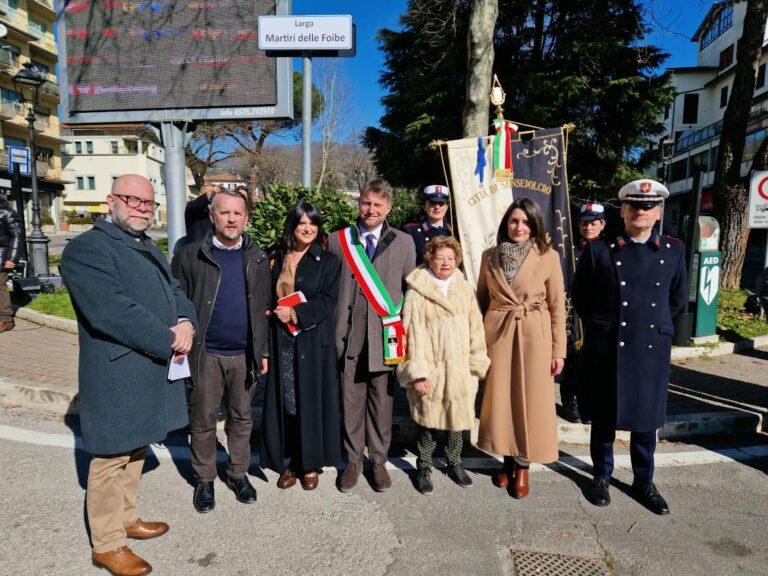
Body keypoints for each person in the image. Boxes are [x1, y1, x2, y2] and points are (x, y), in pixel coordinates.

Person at [60, 174, 197, 576]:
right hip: (118, 369)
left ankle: (126, 517)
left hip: (150, 366)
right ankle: (106, 543)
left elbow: (174, 290)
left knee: (137, 447)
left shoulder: (144, 244)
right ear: (111, 201)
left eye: (147, 202)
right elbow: (111, 310)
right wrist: (168, 337)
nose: (141, 207)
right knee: (111, 455)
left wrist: (186, 320)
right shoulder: (87, 249)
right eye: (132, 199)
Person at [573, 179, 687, 516]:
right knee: (605, 417)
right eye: (634, 205)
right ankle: (601, 476)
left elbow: (677, 299)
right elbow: (581, 298)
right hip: (609, 346)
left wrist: (655, 330)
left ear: (658, 213)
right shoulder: (599, 249)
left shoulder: (673, 250)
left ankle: (644, 480)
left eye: (648, 206)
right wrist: (602, 326)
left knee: (645, 420)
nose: (641, 211)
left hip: (650, 347)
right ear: (622, 211)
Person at [172, 188, 270, 513]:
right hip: (206, 353)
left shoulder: (257, 256)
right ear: (212, 216)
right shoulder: (190, 255)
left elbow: (264, 308)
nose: (231, 219)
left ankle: (238, 473)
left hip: (244, 355)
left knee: (241, 419)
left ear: (246, 218)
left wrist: (263, 351)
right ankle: (205, 479)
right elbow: (176, 301)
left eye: (237, 213)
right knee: (202, 421)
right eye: (224, 212)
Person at [329, 178, 417, 492]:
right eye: (366, 203)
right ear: (359, 203)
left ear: (388, 208)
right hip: (349, 334)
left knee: (382, 402)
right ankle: (353, 461)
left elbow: (412, 291)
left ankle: (378, 461)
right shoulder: (338, 240)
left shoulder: (404, 242)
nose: (371, 209)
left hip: (386, 337)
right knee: (350, 401)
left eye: (378, 205)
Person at [476, 197, 567, 499]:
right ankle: (504, 458)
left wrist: (559, 351)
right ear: (506, 223)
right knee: (500, 397)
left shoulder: (549, 256)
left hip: (534, 335)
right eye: (514, 221)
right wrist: (476, 343)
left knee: (531, 400)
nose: (519, 227)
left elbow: (557, 305)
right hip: (498, 332)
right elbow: (480, 301)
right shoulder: (489, 256)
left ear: (535, 225)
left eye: (526, 222)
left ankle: (523, 465)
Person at [397, 236, 490, 494]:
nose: (446, 263)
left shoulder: (464, 288)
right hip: (430, 368)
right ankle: (424, 465)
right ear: (429, 259)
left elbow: (476, 328)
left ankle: (454, 462)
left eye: (451, 258)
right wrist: (417, 373)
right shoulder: (418, 290)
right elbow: (410, 334)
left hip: (460, 369)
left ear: (457, 260)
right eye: (440, 258)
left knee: (457, 421)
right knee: (426, 422)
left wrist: (475, 363)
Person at [260, 201, 342, 490]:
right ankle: (291, 462)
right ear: (292, 226)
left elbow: (328, 302)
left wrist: (296, 313)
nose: (307, 229)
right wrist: (271, 311)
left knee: (311, 402)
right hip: (281, 340)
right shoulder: (276, 257)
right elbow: (265, 295)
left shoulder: (328, 261)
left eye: (313, 223)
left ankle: (310, 465)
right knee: (288, 403)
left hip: (311, 339)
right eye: (302, 223)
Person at [560, 203, 606, 423]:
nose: (588, 227)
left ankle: (589, 400)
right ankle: (570, 402)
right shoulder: (568, 250)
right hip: (573, 311)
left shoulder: (609, 249)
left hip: (598, 312)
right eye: (584, 223)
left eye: (593, 223)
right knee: (573, 359)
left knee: (595, 360)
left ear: (602, 225)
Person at [403, 185, 454, 265]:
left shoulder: (453, 233)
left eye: (441, 203)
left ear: (447, 207)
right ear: (424, 206)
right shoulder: (411, 232)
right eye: (433, 203)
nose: (437, 207)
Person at [0, 193, 21, 332]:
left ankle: (6, 319)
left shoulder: (7, 212)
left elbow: (17, 236)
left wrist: (12, 259)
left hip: (2, 255)